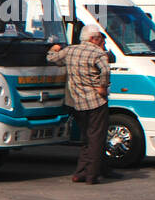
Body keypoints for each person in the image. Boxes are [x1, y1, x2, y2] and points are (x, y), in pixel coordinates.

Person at [48, 28, 114, 184]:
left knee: (86, 138)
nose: (101, 43)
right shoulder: (98, 53)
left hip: (78, 102)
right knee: (96, 138)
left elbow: (52, 59)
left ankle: (80, 173)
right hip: (96, 101)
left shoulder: (71, 50)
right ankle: (92, 175)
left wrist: (53, 49)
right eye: (100, 39)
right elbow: (105, 70)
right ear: (93, 38)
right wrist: (103, 86)